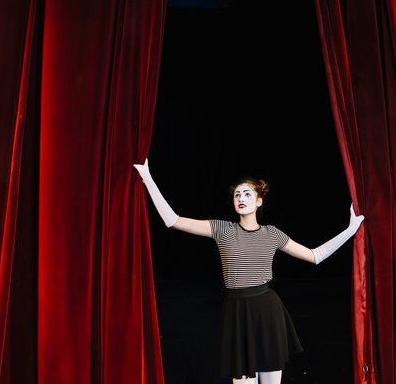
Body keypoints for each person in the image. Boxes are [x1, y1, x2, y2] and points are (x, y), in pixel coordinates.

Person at [134, 159, 365, 384]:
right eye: (237, 195)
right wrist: (148, 177)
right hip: (237, 312)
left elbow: (315, 256)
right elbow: (172, 220)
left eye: (247, 194)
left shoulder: (272, 234)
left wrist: (350, 230)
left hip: (267, 312)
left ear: (259, 201)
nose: (241, 198)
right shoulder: (222, 229)